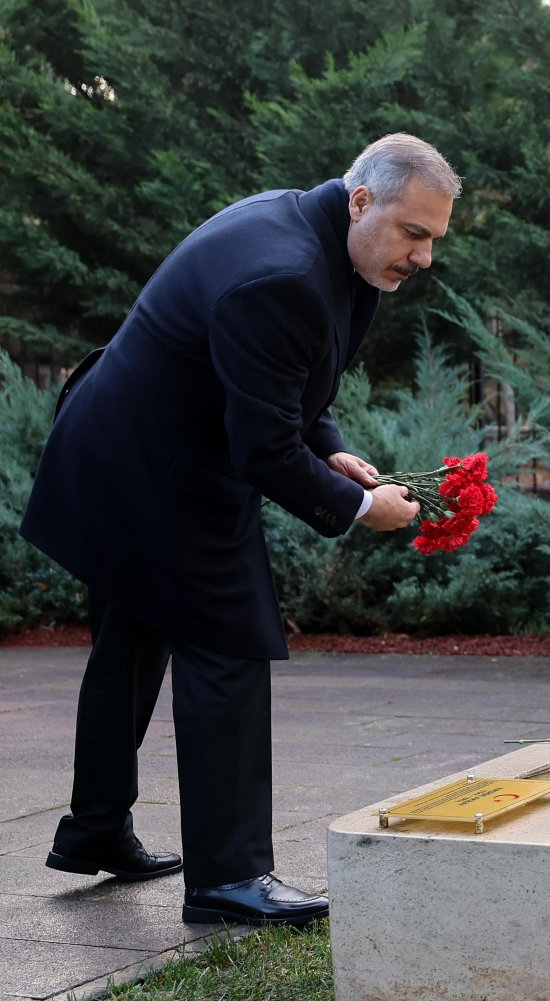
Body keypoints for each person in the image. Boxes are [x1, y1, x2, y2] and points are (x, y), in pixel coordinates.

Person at [18, 133, 458, 926]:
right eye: (414, 234)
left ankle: (94, 831)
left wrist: (334, 450)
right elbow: (262, 449)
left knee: (133, 641)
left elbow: (286, 386)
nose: (424, 257)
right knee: (227, 644)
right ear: (362, 202)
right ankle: (229, 880)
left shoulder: (331, 244)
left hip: (132, 449)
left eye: (434, 239)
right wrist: (360, 507)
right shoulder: (285, 273)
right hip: (149, 468)